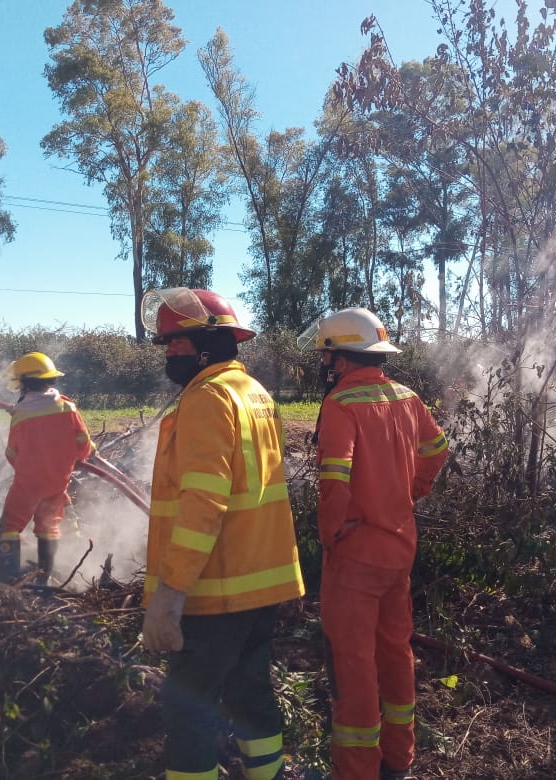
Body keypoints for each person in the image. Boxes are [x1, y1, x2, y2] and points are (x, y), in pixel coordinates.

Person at [139, 287, 305, 780]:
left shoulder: (207, 398)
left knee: (186, 707)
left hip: (216, 591)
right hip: (260, 584)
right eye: (165, 342)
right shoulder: (252, 393)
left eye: (177, 342)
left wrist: (170, 593)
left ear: (210, 344)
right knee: (249, 692)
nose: (168, 351)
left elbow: (203, 503)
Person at [302, 307, 449, 780]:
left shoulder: (342, 404)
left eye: (327, 358)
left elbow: (334, 478)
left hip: (355, 554)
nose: (325, 368)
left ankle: (358, 769)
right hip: (398, 548)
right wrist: (412, 491)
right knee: (394, 651)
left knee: (354, 663)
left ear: (341, 360)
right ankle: (398, 760)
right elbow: (437, 448)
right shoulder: (408, 397)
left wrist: (330, 534)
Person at [0, 352, 95, 585]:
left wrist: (27, 469)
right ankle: (44, 579)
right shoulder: (68, 408)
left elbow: (12, 454)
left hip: (27, 484)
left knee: (9, 526)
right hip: (57, 482)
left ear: (24, 384)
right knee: (48, 527)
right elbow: (83, 446)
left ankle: (6, 584)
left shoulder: (20, 414)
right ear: (51, 379)